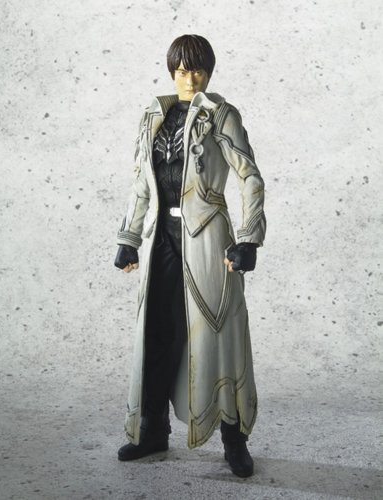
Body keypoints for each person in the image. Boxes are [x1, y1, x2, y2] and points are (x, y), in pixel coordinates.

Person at [114, 34, 266, 478]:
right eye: (182, 70)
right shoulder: (153, 116)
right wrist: (129, 236)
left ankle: (234, 439)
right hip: (162, 236)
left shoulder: (221, 114)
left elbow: (250, 176)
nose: (190, 78)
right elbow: (141, 182)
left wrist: (248, 239)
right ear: (171, 72)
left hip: (208, 238)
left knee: (220, 335)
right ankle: (152, 430)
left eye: (198, 70)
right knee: (157, 333)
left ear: (209, 72)